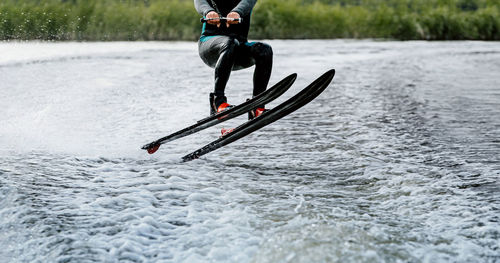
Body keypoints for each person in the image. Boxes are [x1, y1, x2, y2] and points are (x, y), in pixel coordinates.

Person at [194, 0, 273, 119]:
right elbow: (200, 2)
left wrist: (237, 12)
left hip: (238, 51)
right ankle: (218, 102)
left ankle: (257, 105)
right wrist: (208, 11)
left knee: (265, 50)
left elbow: (247, 3)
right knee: (230, 42)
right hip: (209, 47)